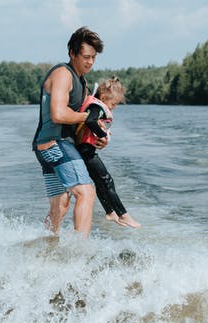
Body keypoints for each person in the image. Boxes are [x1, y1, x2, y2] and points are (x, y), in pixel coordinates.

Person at [32, 26, 107, 238]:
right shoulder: (63, 74)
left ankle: (45, 247)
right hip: (54, 143)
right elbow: (58, 114)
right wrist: (88, 118)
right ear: (72, 53)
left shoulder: (81, 83)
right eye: (85, 56)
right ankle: (79, 254)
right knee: (86, 192)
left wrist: (98, 135)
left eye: (93, 58)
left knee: (60, 206)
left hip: (48, 147)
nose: (90, 62)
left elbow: (79, 123)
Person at [75, 77, 141, 228]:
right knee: (107, 180)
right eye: (113, 104)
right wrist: (103, 135)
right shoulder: (97, 107)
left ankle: (110, 212)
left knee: (99, 181)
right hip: (86, 150)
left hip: (85, 149)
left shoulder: (97, 105)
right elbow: (90, 121)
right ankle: (123, 215)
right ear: (104, 98)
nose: (114, 107)